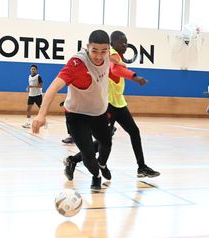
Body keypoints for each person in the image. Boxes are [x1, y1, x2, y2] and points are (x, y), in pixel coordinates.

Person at [64, 30, 160, 181]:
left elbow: (118, 67)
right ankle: (77, 161)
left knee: (132, 132)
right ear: (112, 44)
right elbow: (116, 69)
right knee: (104, 140)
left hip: (119, 103)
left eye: (127, 42)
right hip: (106, 104)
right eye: (122, 42)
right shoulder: (110, 54)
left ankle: (141, 167)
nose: (126, 45)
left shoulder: (115, 56)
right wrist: (134, 77)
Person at [32, 30, 112, 191]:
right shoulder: (76, 64)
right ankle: (96, 176)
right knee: (88, 153)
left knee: (107, 143)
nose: (98, 56)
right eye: (94, 50)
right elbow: (54, 87)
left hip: (99, 112)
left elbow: (116, 61)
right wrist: (41, 114)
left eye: (103, 51)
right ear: (87, 47)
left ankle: (102, 164)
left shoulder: (108, 56)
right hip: (77, 115)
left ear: (108, 50)